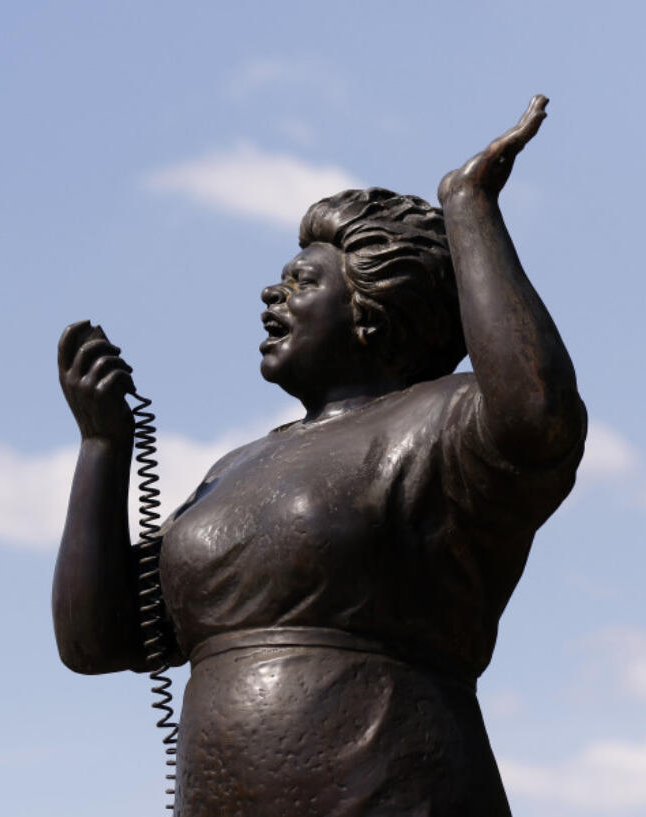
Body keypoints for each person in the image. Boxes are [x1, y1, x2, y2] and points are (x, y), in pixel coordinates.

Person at [52, 95, 586, 816]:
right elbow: (95, 639)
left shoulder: (440, 420)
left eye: (304, 280)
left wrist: (468, 210)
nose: (274, 293)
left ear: (374, 307)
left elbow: (537, 416)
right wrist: (102, 446)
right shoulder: (232, 469)